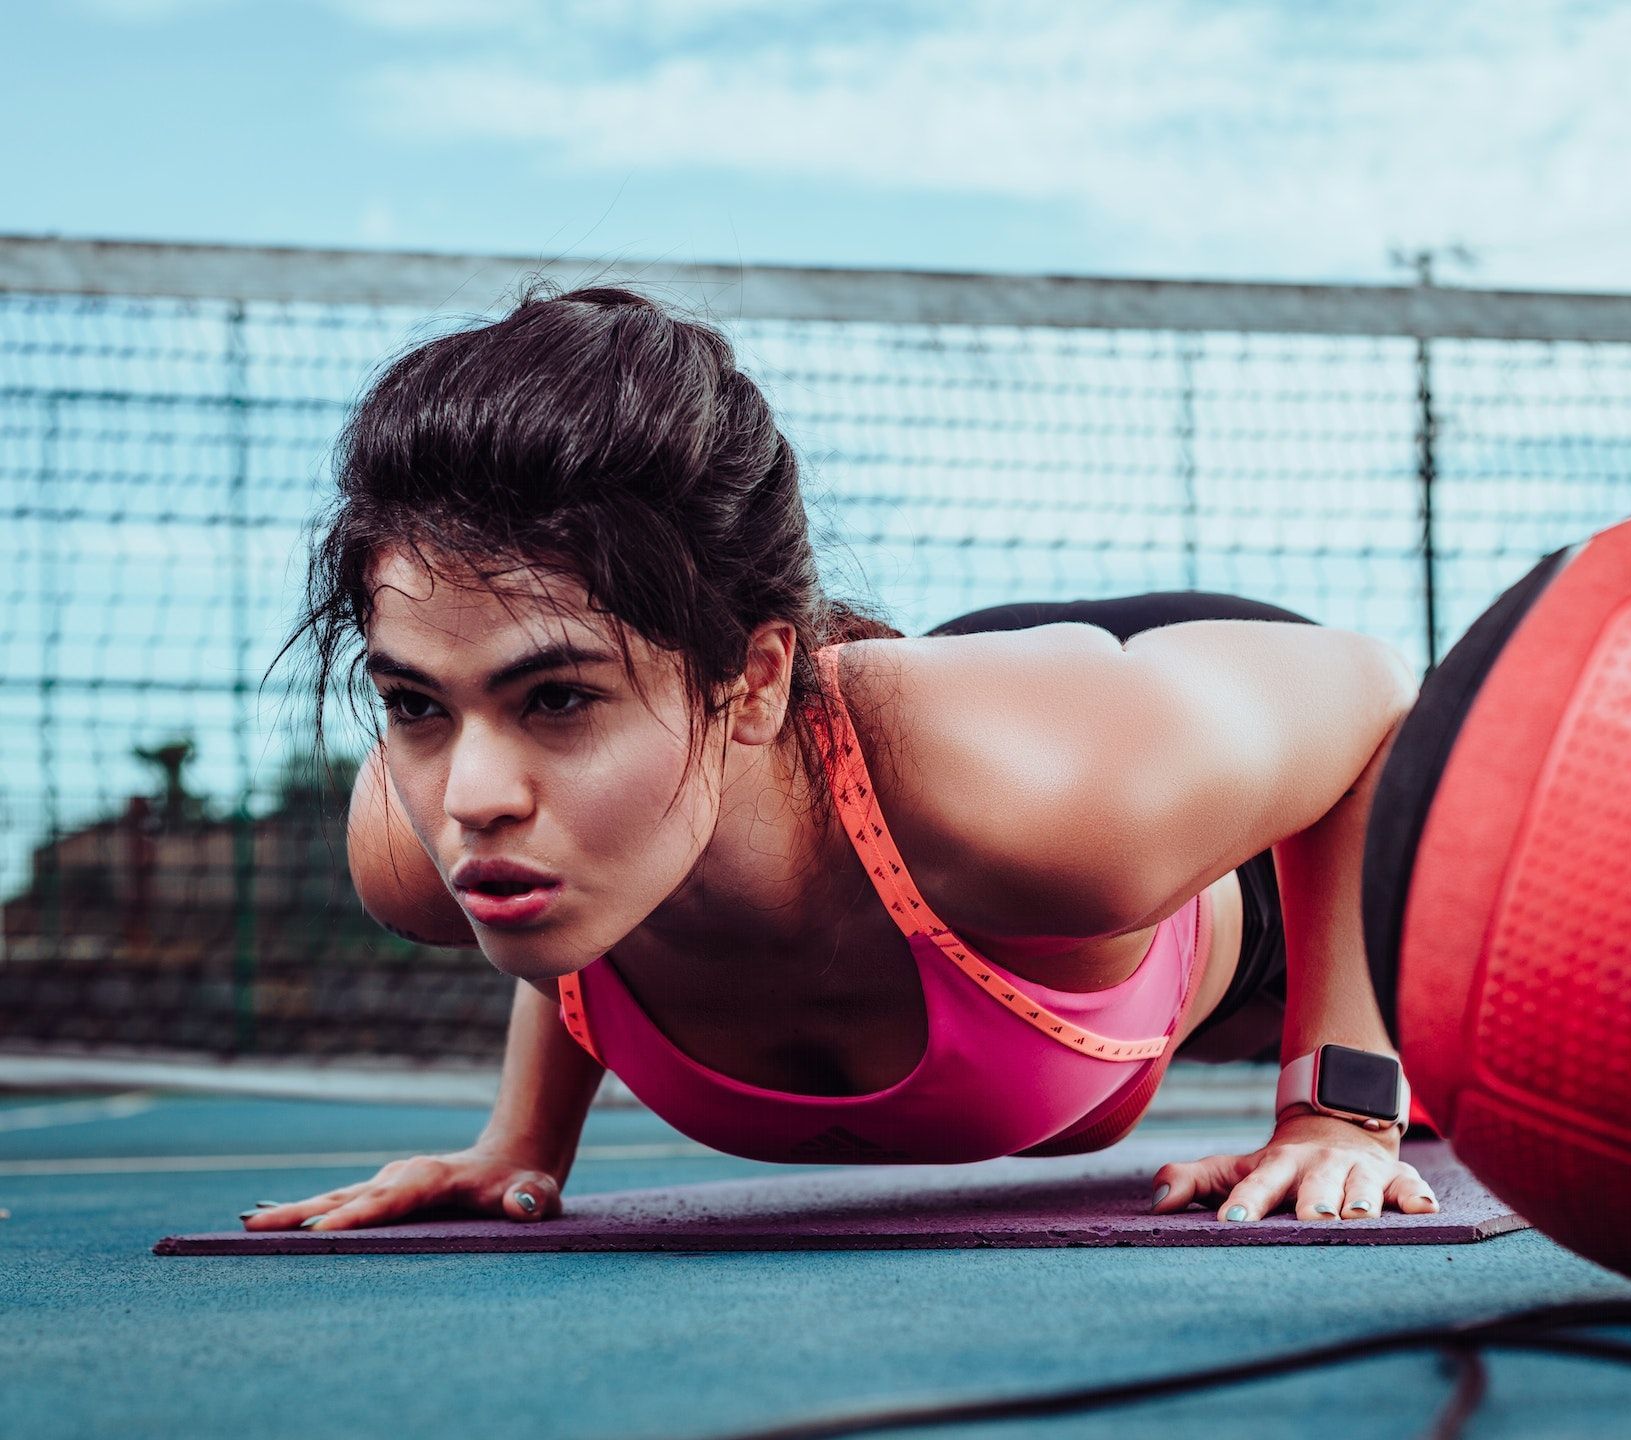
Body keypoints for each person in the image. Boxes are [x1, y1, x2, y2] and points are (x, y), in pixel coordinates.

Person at [241, 285, 1437, 1237]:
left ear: (753, 681)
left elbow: (1380, 695)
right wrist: (520, 1143)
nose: (472, 799)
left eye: (556, 698)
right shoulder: (425, 841)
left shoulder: (1063, 805)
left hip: (1194, 855)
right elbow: (584, 885)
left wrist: (1337, 1111)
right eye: (414, 704)